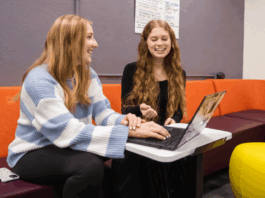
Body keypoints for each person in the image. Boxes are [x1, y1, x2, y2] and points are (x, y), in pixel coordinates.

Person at [7, 15, 170, 198]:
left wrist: (126, 122)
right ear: (69, 41)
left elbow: (103, 114)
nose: (95, 44)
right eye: (89, 37)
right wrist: (128, 132)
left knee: (129, 149)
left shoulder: (87, 74)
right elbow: (67, 131)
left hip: (67, 146)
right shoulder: (39, 80)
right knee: (89, 166)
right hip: (33, 151)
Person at [111, 20, 187, 198]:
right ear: (145, 42)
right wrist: (139, 110)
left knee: (186, 157)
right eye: (154, 39)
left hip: (165, 133)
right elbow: (124, 109)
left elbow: (179, 110)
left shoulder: (179, 72)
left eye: (164, 38)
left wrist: (174, 120)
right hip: (139, 133)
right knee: (152, 164)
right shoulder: (131, 69)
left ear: (171, 42)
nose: (160, 43)